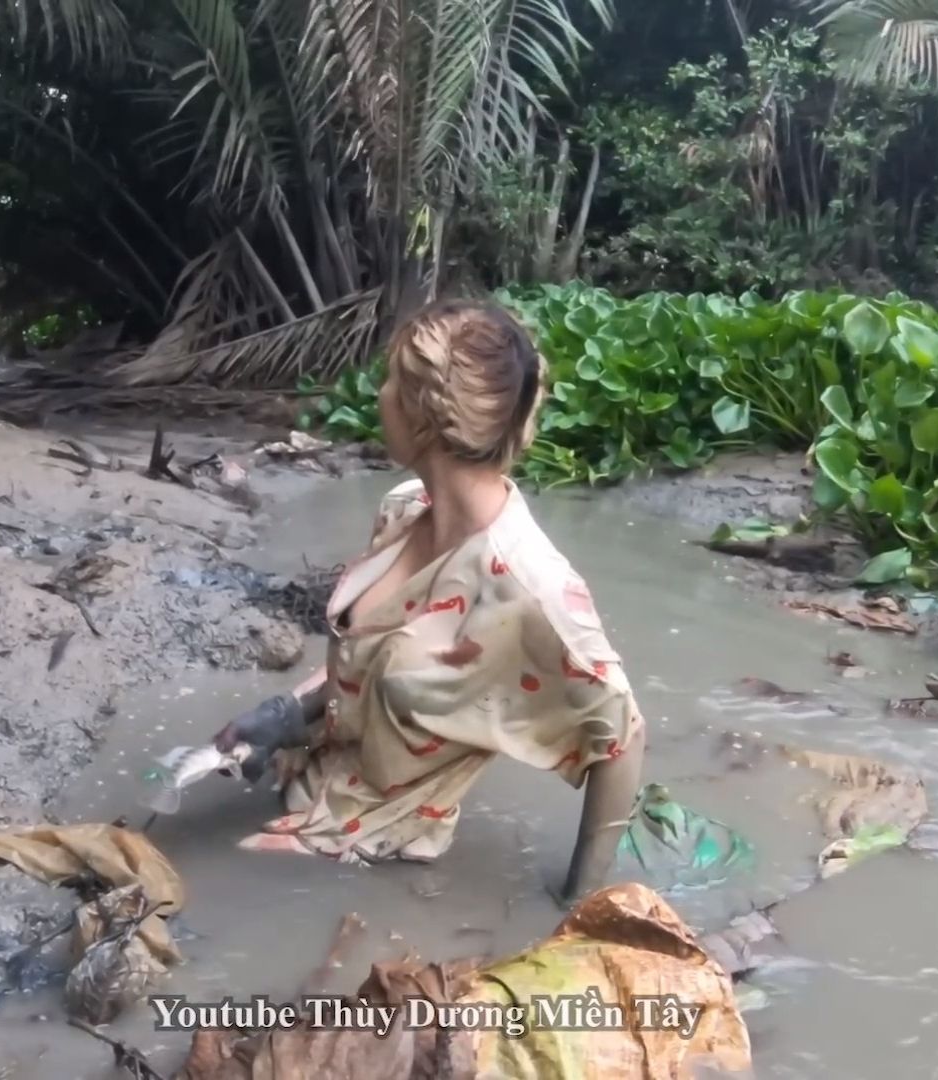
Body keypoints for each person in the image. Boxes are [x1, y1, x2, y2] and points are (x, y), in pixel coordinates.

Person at [213, 299, 646, 902]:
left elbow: (623, 738)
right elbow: (366, 657)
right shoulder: (405, 508)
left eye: (391, 381)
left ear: (423, 416)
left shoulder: (528, 586)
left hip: (380, 847)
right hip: (308, 781)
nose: (379, 394)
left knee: (208, 891)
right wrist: (287, 713)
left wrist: (578, 902)